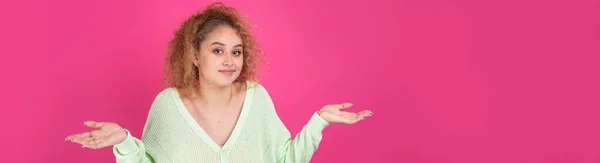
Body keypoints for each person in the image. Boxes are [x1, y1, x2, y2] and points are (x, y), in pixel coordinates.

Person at [65, 2, 373, 163]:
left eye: (236, 52)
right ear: (195, 56)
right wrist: (124, 142)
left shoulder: (256, 97)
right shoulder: (168, 105)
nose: (230, 61)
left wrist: (318, 121)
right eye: (217, 50)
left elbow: (285, 160)